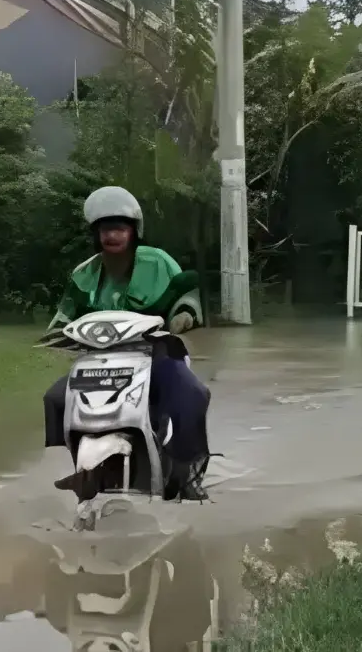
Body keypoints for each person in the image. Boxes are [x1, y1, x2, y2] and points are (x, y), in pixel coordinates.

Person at [43, 186, 211, 500]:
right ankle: (82, 466)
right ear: (96, 234)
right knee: (55, 396)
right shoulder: (84, 274)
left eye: (119, 228)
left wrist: (184, 316)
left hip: (155, 353)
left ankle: (186, 473)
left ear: (134, 231)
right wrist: (57, 334)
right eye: (105, 229)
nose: (112, 235)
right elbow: (64, 316)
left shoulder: (158, 262)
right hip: (100, 359)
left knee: (191, 393)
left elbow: (186, 295)